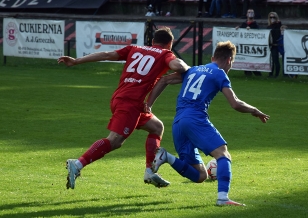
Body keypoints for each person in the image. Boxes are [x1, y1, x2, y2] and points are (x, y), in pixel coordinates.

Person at [58, 27, 190, 190]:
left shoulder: (135, 48)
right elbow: (179, 66)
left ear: (153, 41)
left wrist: (76, 61)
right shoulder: (165, 54)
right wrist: (189, 68)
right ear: (170, 44)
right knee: (115, 140)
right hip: (130, 103)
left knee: (156, 127)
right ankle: (77, 164)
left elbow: (107, 55)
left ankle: (150, 170)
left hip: (121, 98)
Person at [146, 40, 269, 206]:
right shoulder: (219, 74)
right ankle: (223, 198)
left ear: (212, 57)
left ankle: (166, 157)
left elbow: (164, 80)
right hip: (195, 118)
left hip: (178, 123)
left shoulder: (193, 70)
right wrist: (255, 110)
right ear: (229, 61)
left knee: (200, 176)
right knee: (223, 155)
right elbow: (235, 103)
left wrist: (148, 105)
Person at [236, 9, 263, 77]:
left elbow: (258, 33)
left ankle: (256, 72)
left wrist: (251, 30)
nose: (250, 14)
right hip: (245, 44)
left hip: (253, 44)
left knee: (253, 58)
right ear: (246, 14)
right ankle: (247, 72)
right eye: (249, 12)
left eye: (252, 12)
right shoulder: (244, 24)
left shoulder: (255, 24)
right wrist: (238, 28)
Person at [267, 12, 282, 78]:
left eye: (274, 17)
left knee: (275, 60)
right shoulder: (268, 26)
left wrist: (278, 22)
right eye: (271, 17)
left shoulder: (278, 25)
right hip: (270, 45)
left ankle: (276, 74)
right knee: (271, 60)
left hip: (275, 44)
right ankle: (271, 73)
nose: (272, 19)